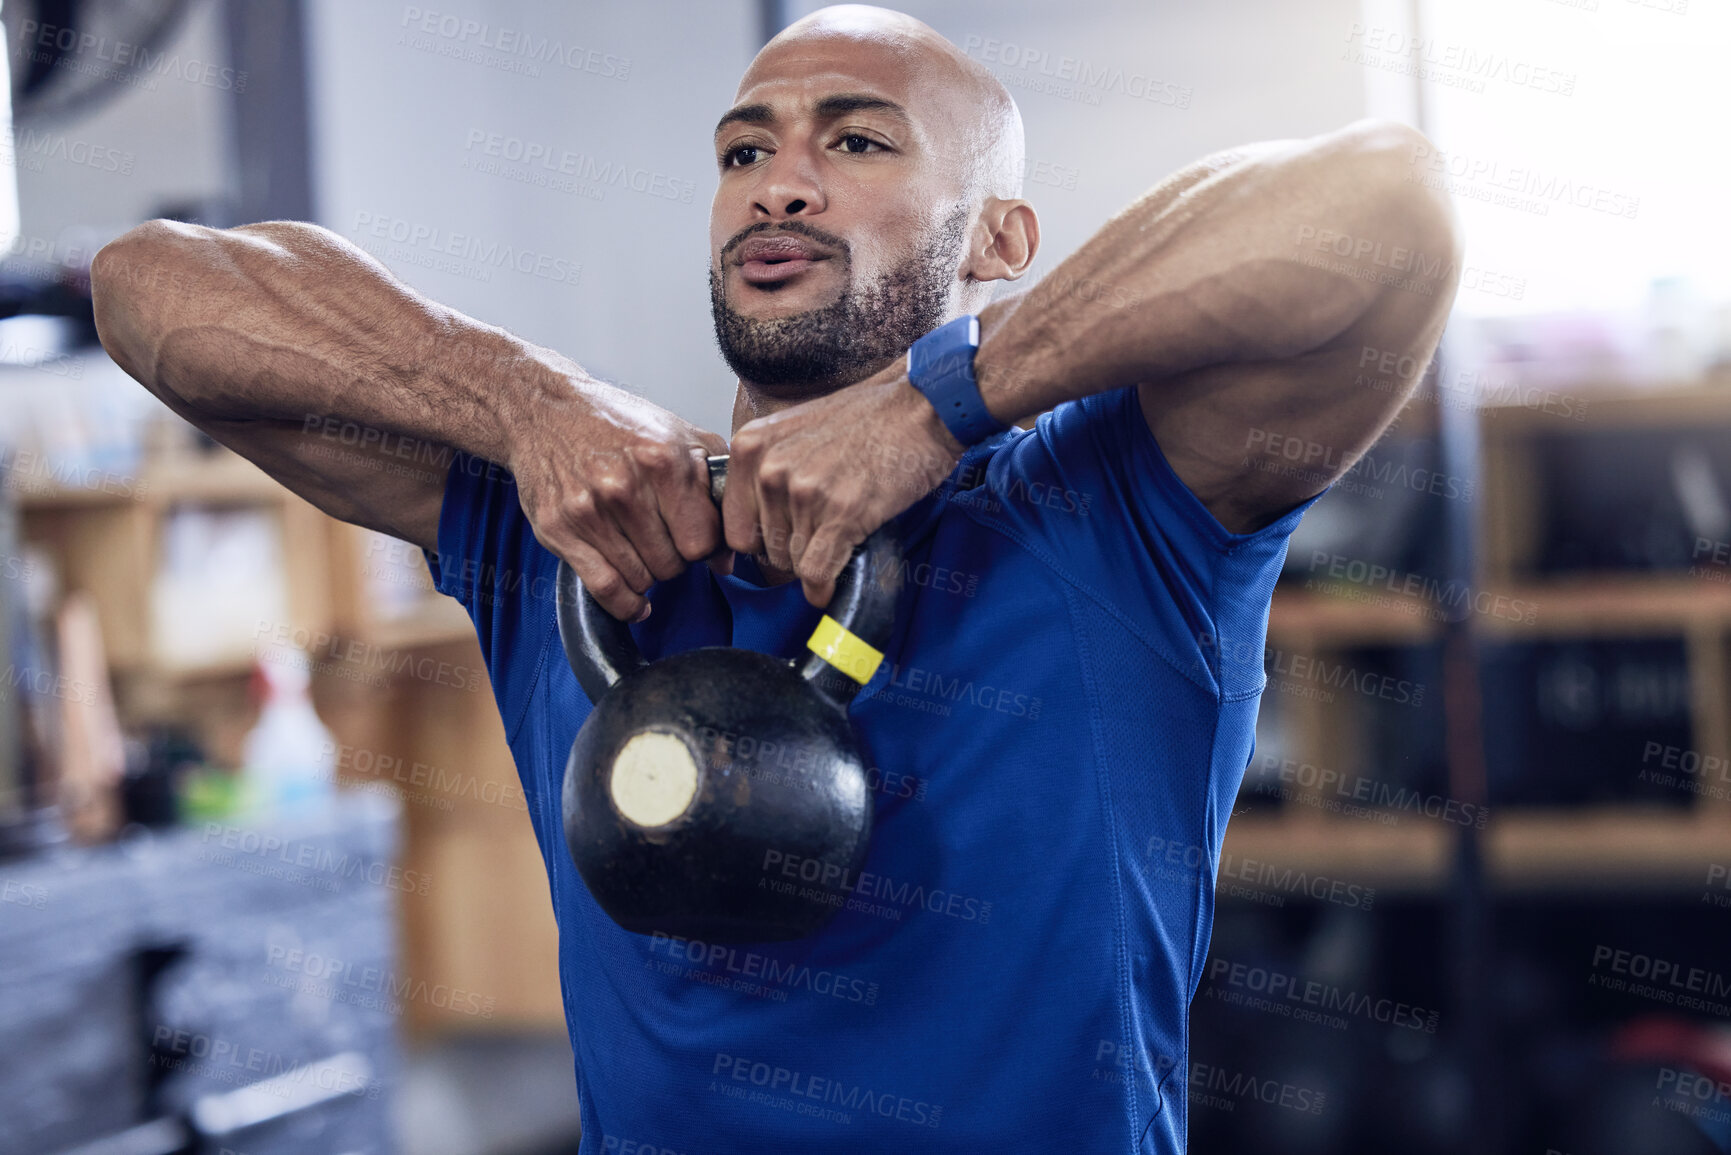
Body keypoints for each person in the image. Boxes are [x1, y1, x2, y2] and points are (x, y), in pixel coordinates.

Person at [90, 5, 1460, 1151]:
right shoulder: (584, 526)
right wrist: (521, 397)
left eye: (855, 141)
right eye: (744, 150)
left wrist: (939, 407)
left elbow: (1383, 203)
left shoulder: (1108, 515)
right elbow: (149, 290)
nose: (776, 181)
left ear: (1001, 240)